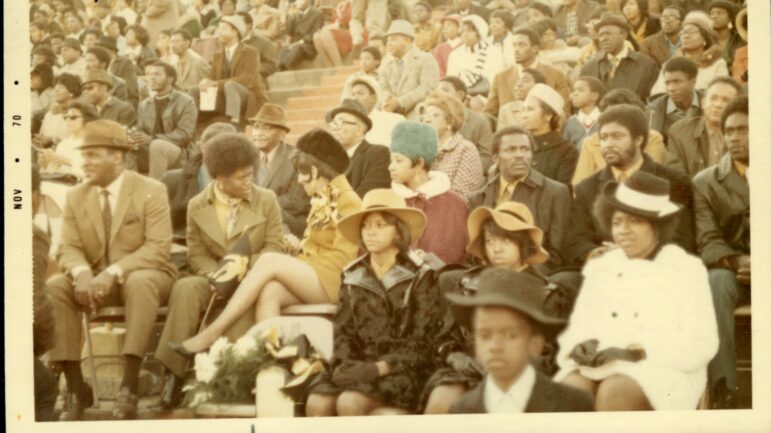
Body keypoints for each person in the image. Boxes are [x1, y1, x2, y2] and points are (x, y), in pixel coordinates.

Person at [170, 129, 362, 355]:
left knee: (271, 259)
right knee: (271, 291)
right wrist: (299, 249)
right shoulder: (324, 198)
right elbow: (317, 248)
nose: (299, 180)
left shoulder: (348, 201)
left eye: (301, 173)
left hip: (335, 283)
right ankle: (270, 359)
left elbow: (345, 260)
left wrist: (299, 265)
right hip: (319, 277)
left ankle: (210, 334)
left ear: (313, 170)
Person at [556, 171, 718, 410]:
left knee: (616, 391)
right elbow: (580, 326)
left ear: (658, 228)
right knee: (571, 390)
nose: (623, 230)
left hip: (663, 369)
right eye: (617, 221)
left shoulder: (685, 269)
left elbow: (702, 344)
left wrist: (638, 352)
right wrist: (578, 346)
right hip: (603, 364)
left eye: (635, 221)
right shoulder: (601, 267)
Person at [48, 120, 176, 420]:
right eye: (84, 154)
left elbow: (157, 247)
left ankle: (129, 385)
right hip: (94, 280)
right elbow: (68, 247)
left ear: (117, 156)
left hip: (148, 274)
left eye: (93, 154)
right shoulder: (76, 195)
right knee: (55, 286)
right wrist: (81, 273)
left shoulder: (151, 189)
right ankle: (77, 389)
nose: (85, 162)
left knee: (140, 281)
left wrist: (111, 273)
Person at [155, 132, 285, 410]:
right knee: (185, 288)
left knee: (245, 301)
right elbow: (197, 252)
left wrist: (237, 272)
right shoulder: (196, 205)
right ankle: (173, 375)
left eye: (250, 174)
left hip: (253, 277)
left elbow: (274, 247)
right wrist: (217, 276)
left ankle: (231, 377)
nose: (248, 181)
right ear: (220, 178)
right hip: (212, 276)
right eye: (240, 177)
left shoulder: (267, 199)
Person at [305, 189, 445, 416]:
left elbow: (423, 343)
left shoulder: (421, 275)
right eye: (366, 226)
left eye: (380, 225)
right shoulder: (352, 274)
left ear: (398, 232)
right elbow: (343, 330)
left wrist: (379, 368)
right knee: (317, 402)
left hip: (402, 371)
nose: (371, 232)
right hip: (359, 367)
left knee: (350, 403)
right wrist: (345, 364)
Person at [565, 104, 696, 272]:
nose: (608, 144)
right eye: (603, 138)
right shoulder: (587, 188)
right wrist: (596, 254)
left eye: (617, 136)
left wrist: (633, 255)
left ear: (638, 139)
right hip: (603, 272)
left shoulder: (673, 182)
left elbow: (683, 240)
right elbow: (576, 240)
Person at [447, 268, 594, 413]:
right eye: (485, 336)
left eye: (510, 335)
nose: (495, 346)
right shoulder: (465, 408)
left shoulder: (573, 403)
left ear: (535, 344)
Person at [692, 96, 749, 409]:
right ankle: (722, 390)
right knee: (715, 281)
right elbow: (708, 241)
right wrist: (738, 260)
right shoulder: (706, 182)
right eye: (729, 131)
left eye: (743, 130)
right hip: (736, 272)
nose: (734, 137)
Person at [470, 126, 572, 272]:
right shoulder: (479, 197)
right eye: (511, 150)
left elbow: (556, 254)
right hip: (489, 275)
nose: (519, 155)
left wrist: (520, 273)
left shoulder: (555, 192)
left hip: (533, 275)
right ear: (496, 158)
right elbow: (475, 249)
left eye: (525, 149)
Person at [389, 120, 468, 265]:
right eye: (391, 160)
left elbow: (454, 256)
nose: (390, 167)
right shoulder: (387, 200)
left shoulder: (453, 204)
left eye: (398, 161)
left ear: (419, 163)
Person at [571, 89, 667, 186]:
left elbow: (652, 177)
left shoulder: (652, 138)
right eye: (609, 116)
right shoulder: (591, 142)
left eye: (621, 117)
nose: (615, 122)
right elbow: (579, 184)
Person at [162, 122, 238, 243]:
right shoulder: (172, 180)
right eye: (216, 148)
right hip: (182, 246)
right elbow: (161, 226)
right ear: (202, 147)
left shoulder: (246, 182)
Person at [191, 15, 269, 128]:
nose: (219, 32)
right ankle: (192, 123)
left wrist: (216, 84)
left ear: (235, 32)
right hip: (226, 98)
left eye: (223, 29)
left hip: (248, 99)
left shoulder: (250, 52)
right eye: (218, 29)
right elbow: (212, 77)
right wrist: (205, 81)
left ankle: (234, 124)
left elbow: (248, 79)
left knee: (231, 85)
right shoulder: (218, 56)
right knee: (195, 90)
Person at [484, 27, 571, 121]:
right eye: (514, 45)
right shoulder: (501, 77)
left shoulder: (556, 76)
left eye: (522, 45)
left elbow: (563, 114)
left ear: (535, 49)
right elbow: (489, 114)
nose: (516, 49)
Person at [251, 104, 311, 238]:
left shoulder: (296, 157)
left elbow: (297, 201)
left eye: (266, 128)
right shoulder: (246, 156)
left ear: (282, 135)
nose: (258, 133)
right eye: (256, 127)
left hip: (288, 222)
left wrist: (261, 205)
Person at [131, 60, 198, 180]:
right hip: (151, 149)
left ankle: (154, 192)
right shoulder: (145, 104)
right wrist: (133, 138)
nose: (152, 78)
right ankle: (131, 190)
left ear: (170, 79)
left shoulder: (186, 101)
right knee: (124, 147)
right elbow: (140, 130)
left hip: (180, 153)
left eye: (157, 74)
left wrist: (152, 139)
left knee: (158, 145)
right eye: (150, 74)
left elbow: (184, 135)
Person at [665, 76, 742, 178]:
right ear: (703, 103)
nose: (718, 104)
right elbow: (676, 177)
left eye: (726, 100)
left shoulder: (747, 136)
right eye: (713, 98)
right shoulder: (679, 132)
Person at [579, 13, 659, 102]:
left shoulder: (646, 65)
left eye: (608, 34)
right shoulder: (589, 67)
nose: (604, 38)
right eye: (601, 35)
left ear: (623, 35)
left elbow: (653, 101)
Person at [421, 91, 483, 203]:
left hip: (449, 212)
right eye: (426, 115)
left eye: (435, 115)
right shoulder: (422, 149)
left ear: (450, 122)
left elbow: (463, 195)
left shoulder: (466, 149)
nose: (427, 120)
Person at [649, 11, 729, 95]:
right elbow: (657, 94)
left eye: (691, 32)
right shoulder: (670, 65)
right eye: (683, 32)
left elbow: (721, 92)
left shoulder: (717, 63)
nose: (686, 36)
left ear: (705, 39)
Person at [326, 99, 392, 198]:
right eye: (334, 124)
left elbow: (370, 195)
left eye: (341, 122)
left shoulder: (378, 154)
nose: (335, 129)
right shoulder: (328, 161)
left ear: (359, 129)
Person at [378, 20, 440, 121]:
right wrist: (387, 101)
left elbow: (427, 89)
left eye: (393, 39)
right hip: (392, 110)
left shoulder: (426, 59)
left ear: (407, 40)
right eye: (388, 41)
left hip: (418, 111)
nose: (388, 44)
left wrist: (400, 102)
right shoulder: (386, 62)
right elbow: (383, 88)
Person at [519, 83, 578, 186]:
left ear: (548, 116)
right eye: (523, 110)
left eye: (530, 109)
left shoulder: (567, 151)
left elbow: (563, 192)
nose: (524, 115)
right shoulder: (519, 145)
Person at [437, 77, 494, 172]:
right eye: (437, 91)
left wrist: (460, 168)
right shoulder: (431, 119)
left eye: (445, 90)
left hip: (468, 176)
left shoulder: (479, 121)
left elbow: (487, 158)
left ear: (460, 95)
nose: (439, 95)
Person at [647, 57, 703, 140]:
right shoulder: (654, 110)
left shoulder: (708, 102)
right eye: (667, 83)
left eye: (677, 82)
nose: (671, 88)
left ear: (693, 82)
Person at [446, 15, 503, 92]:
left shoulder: (493, 51)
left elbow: (495, 79)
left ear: (479, 32)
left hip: (486, 93)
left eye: (469, 30)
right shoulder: (455, 54)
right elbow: (451, 80)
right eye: (462, 31)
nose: (465, 34)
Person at [344, 75, 405, 147]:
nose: (355, 98)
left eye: (360, 93)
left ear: (373, 98)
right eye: (353, 94)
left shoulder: (393, 120)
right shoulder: (348, 127)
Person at [33, 73, 82, 149]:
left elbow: (78, 142)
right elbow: (42, 135)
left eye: (61, 88)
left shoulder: (78, 114)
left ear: (71, 92)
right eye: (55, 87)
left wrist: (52, 141)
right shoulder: (49, 114)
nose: (56, 90)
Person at [313, 0, 364, 68]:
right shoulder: (340, 4)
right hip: (339, 29)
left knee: (325, 34)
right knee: (316, 36)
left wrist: (331, 27)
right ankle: (330, 67)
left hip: (352, 31)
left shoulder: (352, 3)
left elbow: (349, 20)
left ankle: (339, 66)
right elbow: (333, 20)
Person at [278, 0, 325, 70]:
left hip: (309, 46)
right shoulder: (296, 15)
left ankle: (282, 67)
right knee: (284, 48)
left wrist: (299, 42)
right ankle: (277, 66)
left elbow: (315, 33)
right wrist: (290, 17)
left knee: (297, 47)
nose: (297, 2)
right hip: (295, 44)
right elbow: (290, 32)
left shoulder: (317, 14)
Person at [496, 67, 546, 132]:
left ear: (539, 86)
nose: (518, 84)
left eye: (525, 81)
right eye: (517, 81)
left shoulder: (547, 110)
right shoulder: (506, 110)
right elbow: (501, 139)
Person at [96, 35, 140, 109]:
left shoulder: (125, 62)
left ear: (112, 51)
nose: (99, 53)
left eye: (102, 50)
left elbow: (131, 88)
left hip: (123, 99)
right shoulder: (98, 63)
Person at [564, 76, 604, 151]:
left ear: (594, 96)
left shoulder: (604, 120)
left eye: (580, 90)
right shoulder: (570, 122)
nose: (575, 94)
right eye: (574, 90)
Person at [708, 0, 744, 71]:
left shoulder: (741, 39)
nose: (714, 16)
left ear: (730, 18)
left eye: (720, 13)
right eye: (712, 13)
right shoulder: (706, 40)